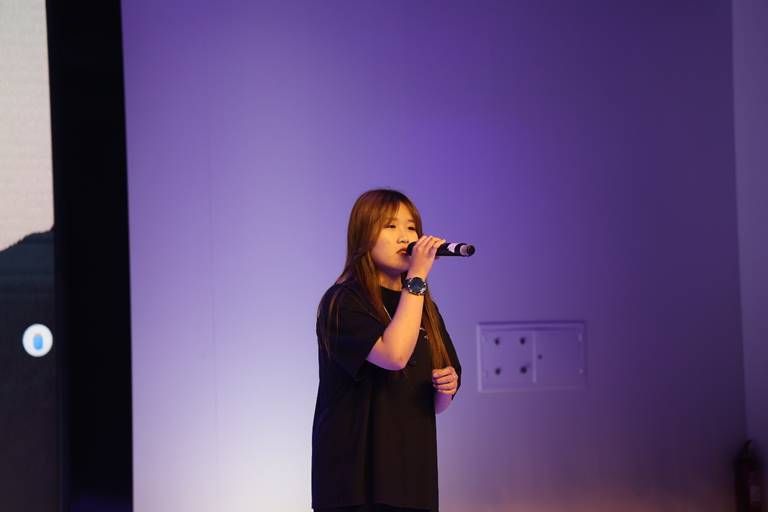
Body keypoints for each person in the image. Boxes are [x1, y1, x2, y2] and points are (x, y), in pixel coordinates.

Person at [312, 189, 462, 512]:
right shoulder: (343, 301)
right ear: (363, 235)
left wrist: (446, 386)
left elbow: (436, 403)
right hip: (354, 486)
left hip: (412, 482)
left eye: (411, 227)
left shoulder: (424, 307)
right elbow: (394, 356)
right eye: (390, 226)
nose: (405, 237)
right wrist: (417, 277)